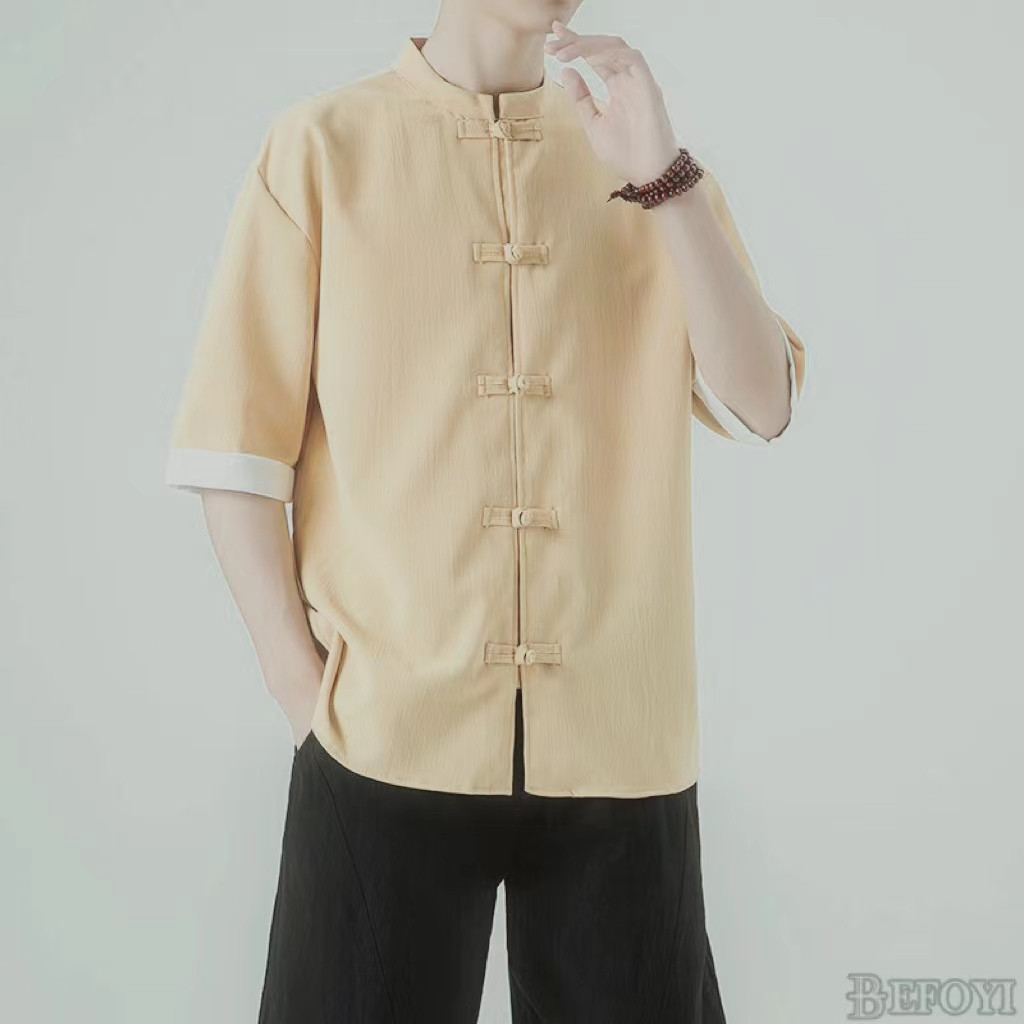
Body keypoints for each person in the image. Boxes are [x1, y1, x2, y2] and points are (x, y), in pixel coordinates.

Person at [165, 2, 807, 1021]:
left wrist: (665, 179)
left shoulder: (643, 159)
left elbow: (762, 402)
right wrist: (304, 696)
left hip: (621, 744)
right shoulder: (322, 149)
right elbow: (234, 452)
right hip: (383, 737)